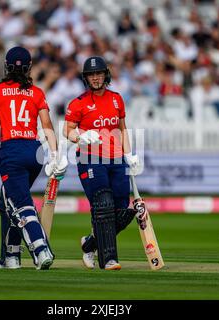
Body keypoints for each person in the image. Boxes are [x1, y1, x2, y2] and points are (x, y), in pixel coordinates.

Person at [0, 46, 67, 270]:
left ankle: (41, 249)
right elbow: (47, 125)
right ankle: (10, 256)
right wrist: (55, 155)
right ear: (29, 67)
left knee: (20, 203)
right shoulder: (37, 92)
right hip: (35, 152)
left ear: (6, 67)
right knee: (6, 202)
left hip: (12, 151)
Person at [63, 56, 140, 270]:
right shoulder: (78, 103)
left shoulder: (116, 99)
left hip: (116, 158)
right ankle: (109, 259)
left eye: (99, 74)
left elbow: (122, 129)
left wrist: (129, 154)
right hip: (90, 159)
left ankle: (90, 244)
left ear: (106, 75)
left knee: (122, 210)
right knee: (103, 204)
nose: (95, 78)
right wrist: (80, 136)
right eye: (91, 75)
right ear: (86, 78)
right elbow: (66, 130)